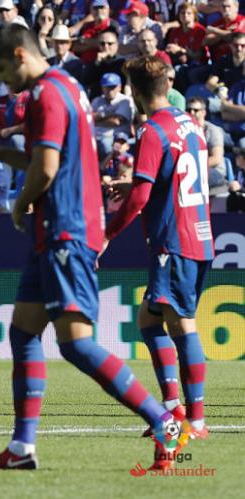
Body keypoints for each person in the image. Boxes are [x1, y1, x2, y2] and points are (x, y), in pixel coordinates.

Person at [0, 24, 183, 471]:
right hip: (56, 229)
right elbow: (47, 158)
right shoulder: (66, 86)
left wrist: (19, 203)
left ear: (22, 55)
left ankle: (164, 419)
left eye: (2, 68)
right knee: (23, 331)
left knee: (76, 344)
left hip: (67, 227)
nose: (1, 80)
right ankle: (22, 448)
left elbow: (45, 171)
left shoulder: (46, 94)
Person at [103, 55, 213, 444]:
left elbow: (140, 201)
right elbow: (169, 175)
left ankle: (195, 420)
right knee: (151, 323)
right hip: (198, 234)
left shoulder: (152, 131)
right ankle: (173, 408)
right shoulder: (191, 125)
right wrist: (134, 182)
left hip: (174, 241)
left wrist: (107, 234)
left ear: (134, 91)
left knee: (182, 325)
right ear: (167, 85)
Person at [187, 97, 228, 191]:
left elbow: (216, 159)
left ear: (203, 113)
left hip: (216, 172)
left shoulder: (213, 130)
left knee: (192, 177)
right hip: (194, 169)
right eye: (189, 110)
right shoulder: (186, 130)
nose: (192, 113)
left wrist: (193, 166)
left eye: (195, 110)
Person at [91, 72, 134, 160]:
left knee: (107, 145)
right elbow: (88, 118)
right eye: (107, 87)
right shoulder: (97, 100)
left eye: (113, 87)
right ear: (102, 87)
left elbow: (117, 121)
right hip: (95, 137)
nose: (110, 90)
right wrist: (108, 114)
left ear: (119, 87)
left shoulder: (125, 100)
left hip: (116, 139)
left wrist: (98, 119)